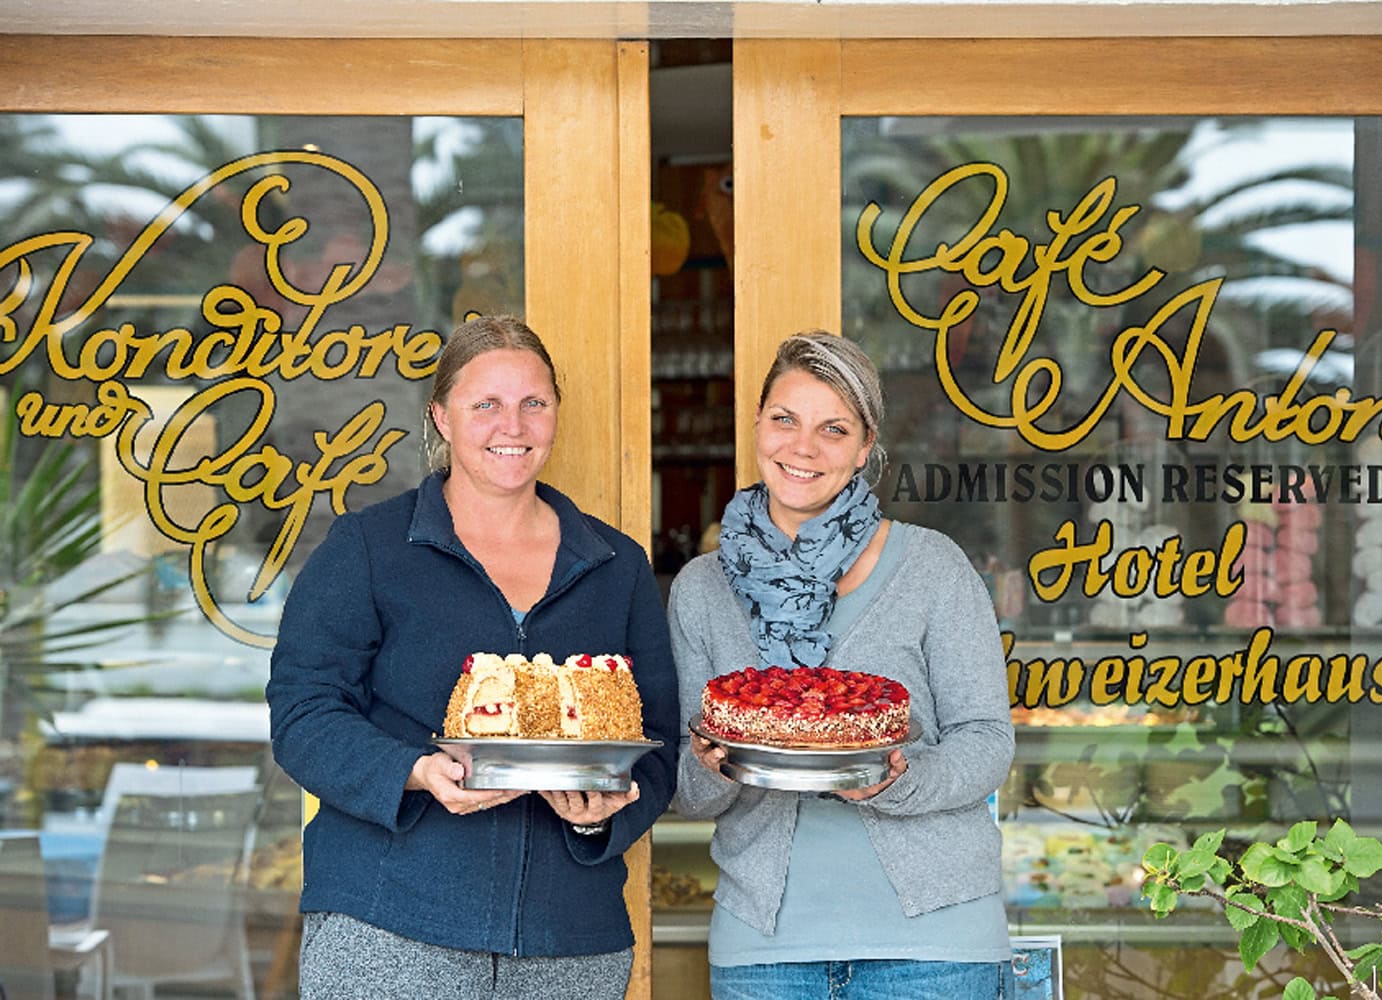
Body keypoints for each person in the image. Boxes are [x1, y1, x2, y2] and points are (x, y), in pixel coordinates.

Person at [266, 314, 679, 1000]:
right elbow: (303, 714)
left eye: (533, 404)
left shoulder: (616, 565)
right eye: (485, 404)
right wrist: (416, 771)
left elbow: (657, 742)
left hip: (568, 941)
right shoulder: (369, 549)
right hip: (386, 925)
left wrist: (605, 813)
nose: (510, 427)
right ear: (442, 418)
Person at [669, 331, 1015, 1000]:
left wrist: (894, 782)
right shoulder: (702, 588)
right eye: (784, 419)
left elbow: (988, 742)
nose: (802, 447)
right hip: (764, 953)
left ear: (865, 447)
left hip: (935, 949)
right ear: (758, 424)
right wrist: (712, 763)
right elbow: (688, 787)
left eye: (834, 428)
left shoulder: (932, 569)